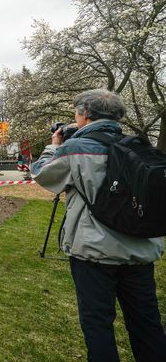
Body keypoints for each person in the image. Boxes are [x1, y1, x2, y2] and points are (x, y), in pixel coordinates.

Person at [31, 89, 166, 361]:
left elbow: (43, 175)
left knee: (98, 324)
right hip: (138, 250)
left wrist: (53, 146)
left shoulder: (77, 147)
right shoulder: (138, 145)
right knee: (146, 323)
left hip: (94, 251)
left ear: (84, 115)